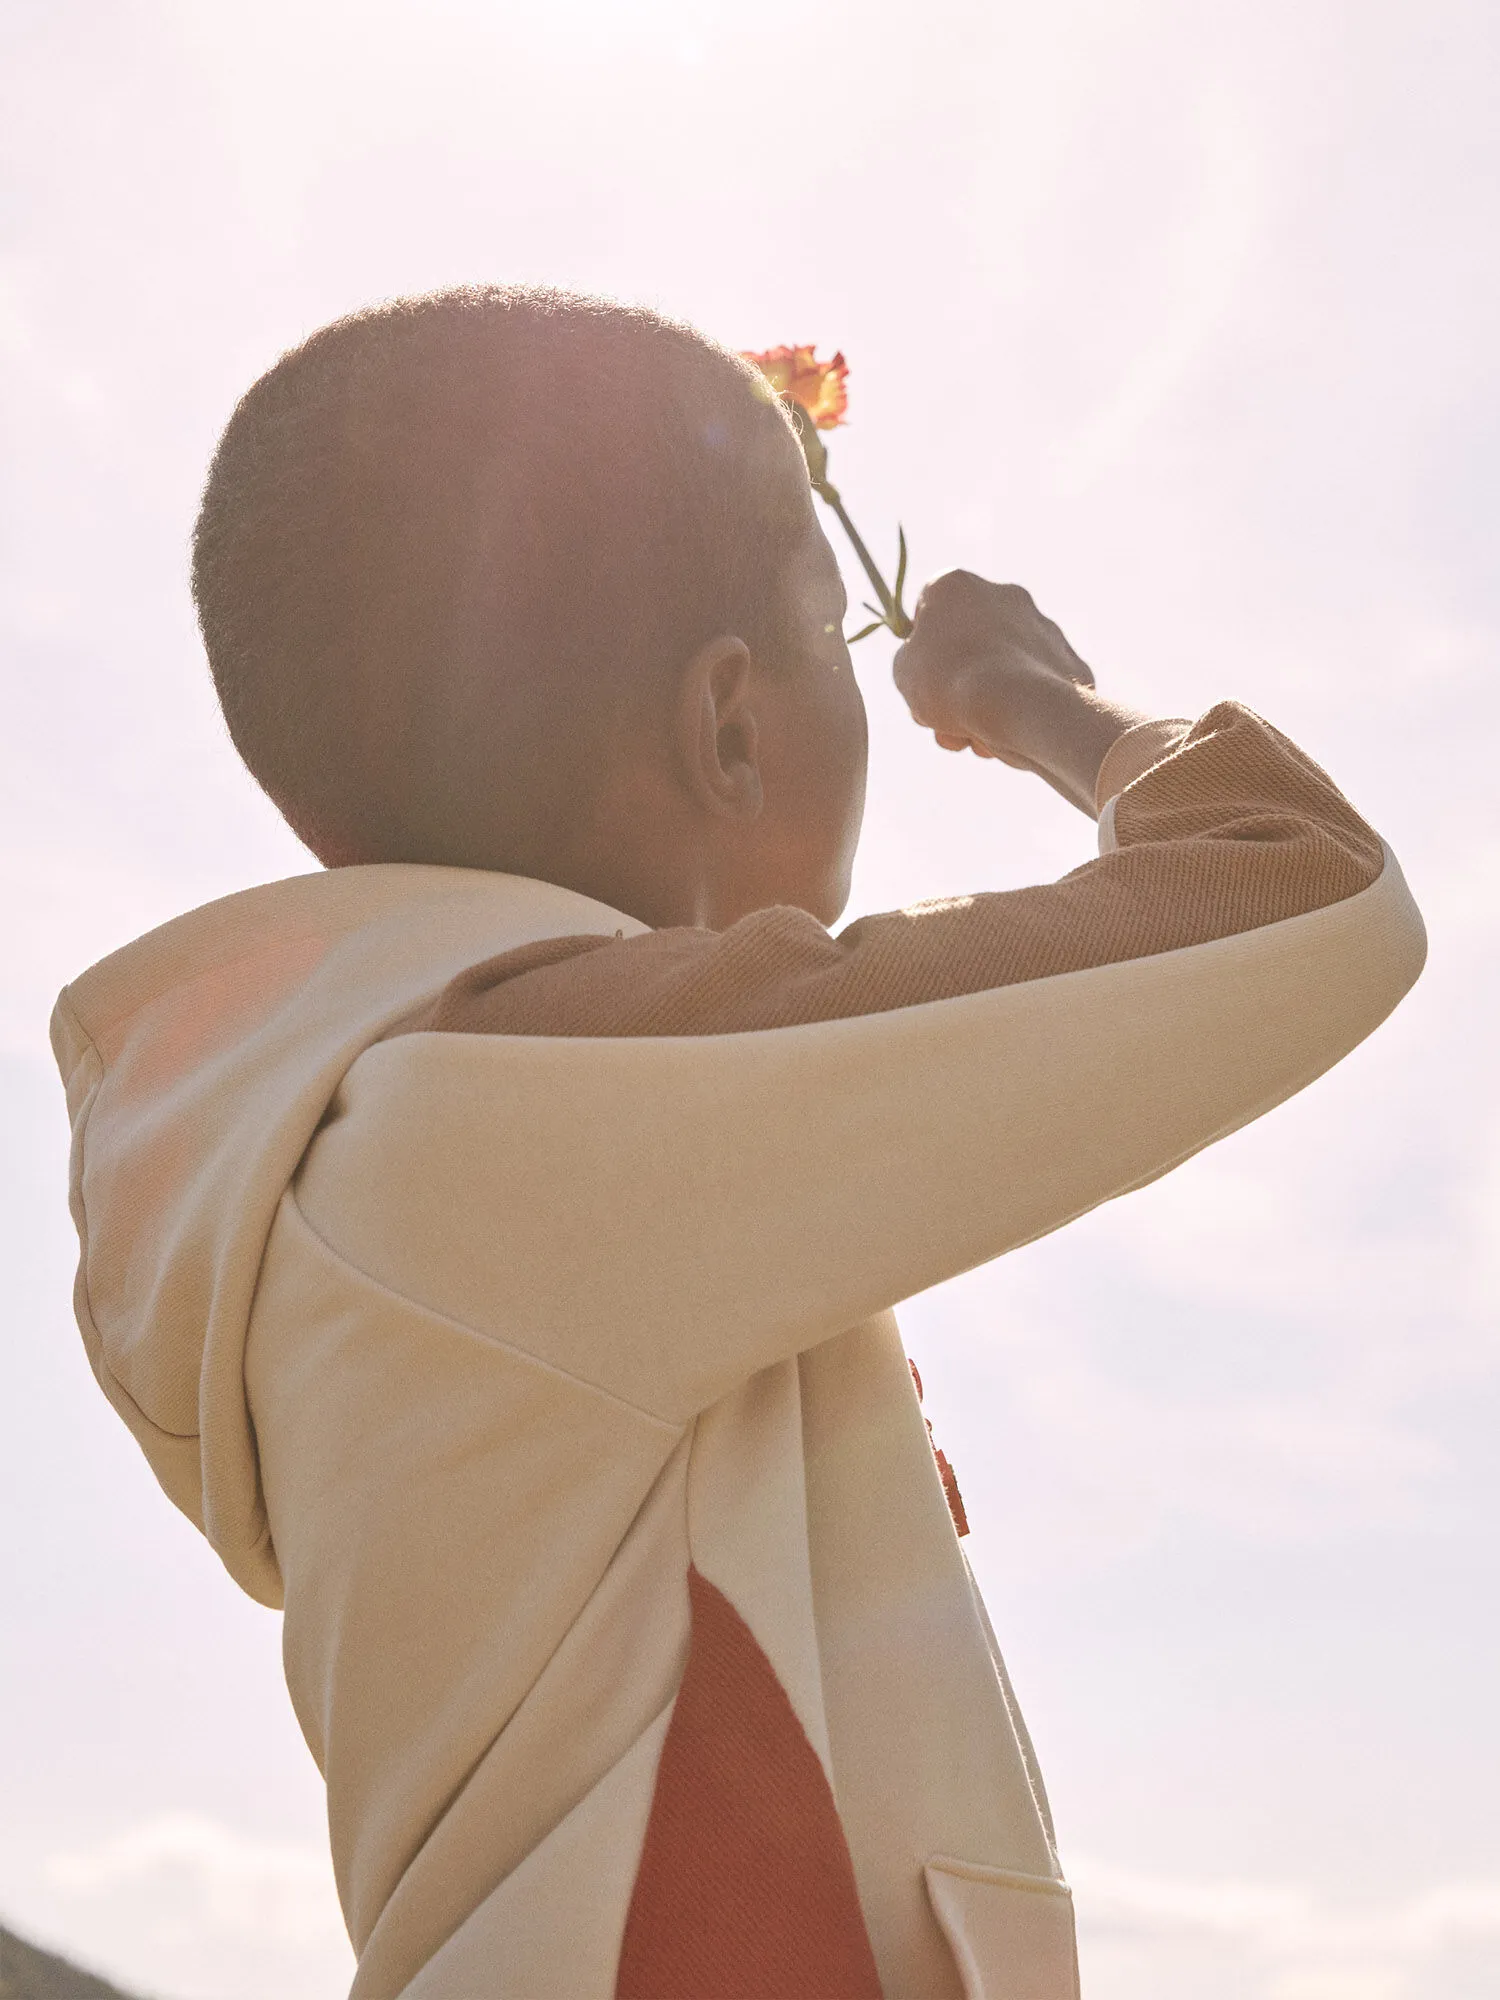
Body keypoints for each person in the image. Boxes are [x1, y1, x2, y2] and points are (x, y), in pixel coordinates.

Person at [50, 287, 1425, 2000]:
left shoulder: (378, 1138)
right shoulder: (531, 1121)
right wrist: (1032, 694)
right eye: (835, 634)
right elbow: (1304, 888)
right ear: (727, 723)